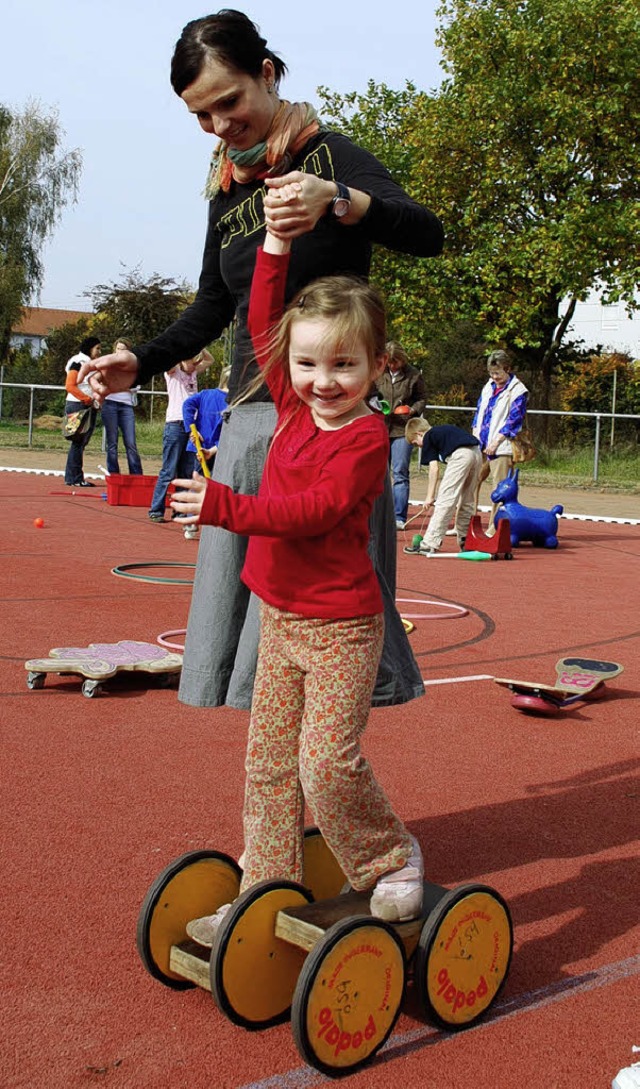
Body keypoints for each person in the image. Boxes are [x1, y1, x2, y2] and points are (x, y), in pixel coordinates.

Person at [79, 9, 444, 710]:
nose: (219, 126)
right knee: (258, 666)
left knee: (327, 631)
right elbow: (214, 302)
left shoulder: (329, 157)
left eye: (229, 101)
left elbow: (428, 231)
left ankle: (324, 797)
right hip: (251, 420)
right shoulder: (227, 190)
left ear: (267, 74)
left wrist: (339, 201)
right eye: (200, 115)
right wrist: (141, 358)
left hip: (329, 423)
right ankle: (287, 799)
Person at [170, 209, 424, 946]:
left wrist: (226, 504)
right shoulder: (289, 402)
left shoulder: (367, 438)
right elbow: (259, 319)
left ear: (378, 367)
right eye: (308, 364)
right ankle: (267, 881)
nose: (322, 381)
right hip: (280, 619)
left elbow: (314, 511)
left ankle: (390, 855)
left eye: (344, 365)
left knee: (325, 763)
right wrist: (275, 243)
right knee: (270, 761)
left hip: (342, 628)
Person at [148, 351, 213, 523]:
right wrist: (183, 348)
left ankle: (179, 509)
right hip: (175, 423)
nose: (194, 365)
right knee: (169, 470)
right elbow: (167, 363)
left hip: (191, 426)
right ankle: (156, 509)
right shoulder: (174, 372)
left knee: (186, 471)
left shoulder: (193, 372)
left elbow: (209, 359)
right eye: (190, 360)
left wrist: (200, 347)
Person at [403, 417, 482, 553]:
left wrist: (430, 496)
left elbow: (434, 469)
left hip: (461, 456)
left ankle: (429, 543)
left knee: (446, 500)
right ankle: (466, 540)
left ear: (419, 434)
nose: (419, 447)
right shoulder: (443, 430)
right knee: (467, 499)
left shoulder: (429, 437)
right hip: (477, 453)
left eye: (416, 443)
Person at [472, 350, 528, 533]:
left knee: (500, 488)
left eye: (498, 373)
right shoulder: (488, 386)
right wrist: (475, 433)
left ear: (508, 369)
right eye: (491, 373)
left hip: (502, 447)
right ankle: (468, 522)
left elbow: (514, 420)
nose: (494, 377)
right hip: (480, 443)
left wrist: (496, 442)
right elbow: (479, 410)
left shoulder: (518, 391)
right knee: (472, 482)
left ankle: (494, 528)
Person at [373, 341, 426, 529]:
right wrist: (375, 406)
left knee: (400, 472)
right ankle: (376, 514)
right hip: (379, 427)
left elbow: (421, 399)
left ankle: (399, 517)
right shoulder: (376, 371)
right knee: (377, 473)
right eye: (389, 362)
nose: (392, 366)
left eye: (395, 362)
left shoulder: (413, 375)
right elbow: (365, 393)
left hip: (401, 430)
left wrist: (412, 410)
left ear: (402, 360)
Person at [181, 366, 230, 539]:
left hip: (211, 449)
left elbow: (187, 404)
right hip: (211, 449)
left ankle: (192, 521)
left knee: (199, 483)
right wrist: (192, 430)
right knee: (215, 484)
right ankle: (194, 521)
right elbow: (188, 404)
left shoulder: (207, 394)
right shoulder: (231, 402)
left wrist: (191, 429)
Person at [100, 338, 143, 476]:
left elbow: (136, 385)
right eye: (118, 349)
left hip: (126, 406)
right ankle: (114, 475)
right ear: (114, 350)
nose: (120, 352)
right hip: (110, 403)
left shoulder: (133, 366)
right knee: (112, 443)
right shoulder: (108, 364)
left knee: (131, 442)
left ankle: (136, 475)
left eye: (123, 349)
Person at [64, 336, 101, 487]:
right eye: (97, 348)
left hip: (86, 405)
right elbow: (70, 385)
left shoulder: (89, 363)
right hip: (78, 405)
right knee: (78, 441)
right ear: (89, 348)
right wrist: (87, 400)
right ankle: (76, 478)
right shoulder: (78, 362)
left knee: (80, 442)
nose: (99, 351)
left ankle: (72, 476)